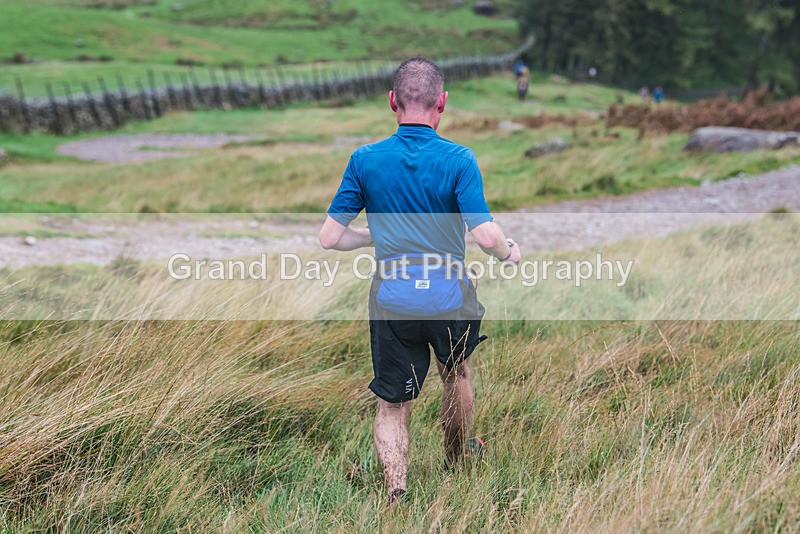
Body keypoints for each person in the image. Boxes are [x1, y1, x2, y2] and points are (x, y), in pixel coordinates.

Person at [318, 56, 521, 503]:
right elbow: (486, 236)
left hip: (392, 298)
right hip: (449, 295)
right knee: (457, 375)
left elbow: (330, 238)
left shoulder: (364, 160)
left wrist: (376, 235)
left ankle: (397, 489)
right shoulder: (459, 159)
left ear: (392, 101)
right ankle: (457, 460)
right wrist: (509, 251)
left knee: (393, 404)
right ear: (441, 103)